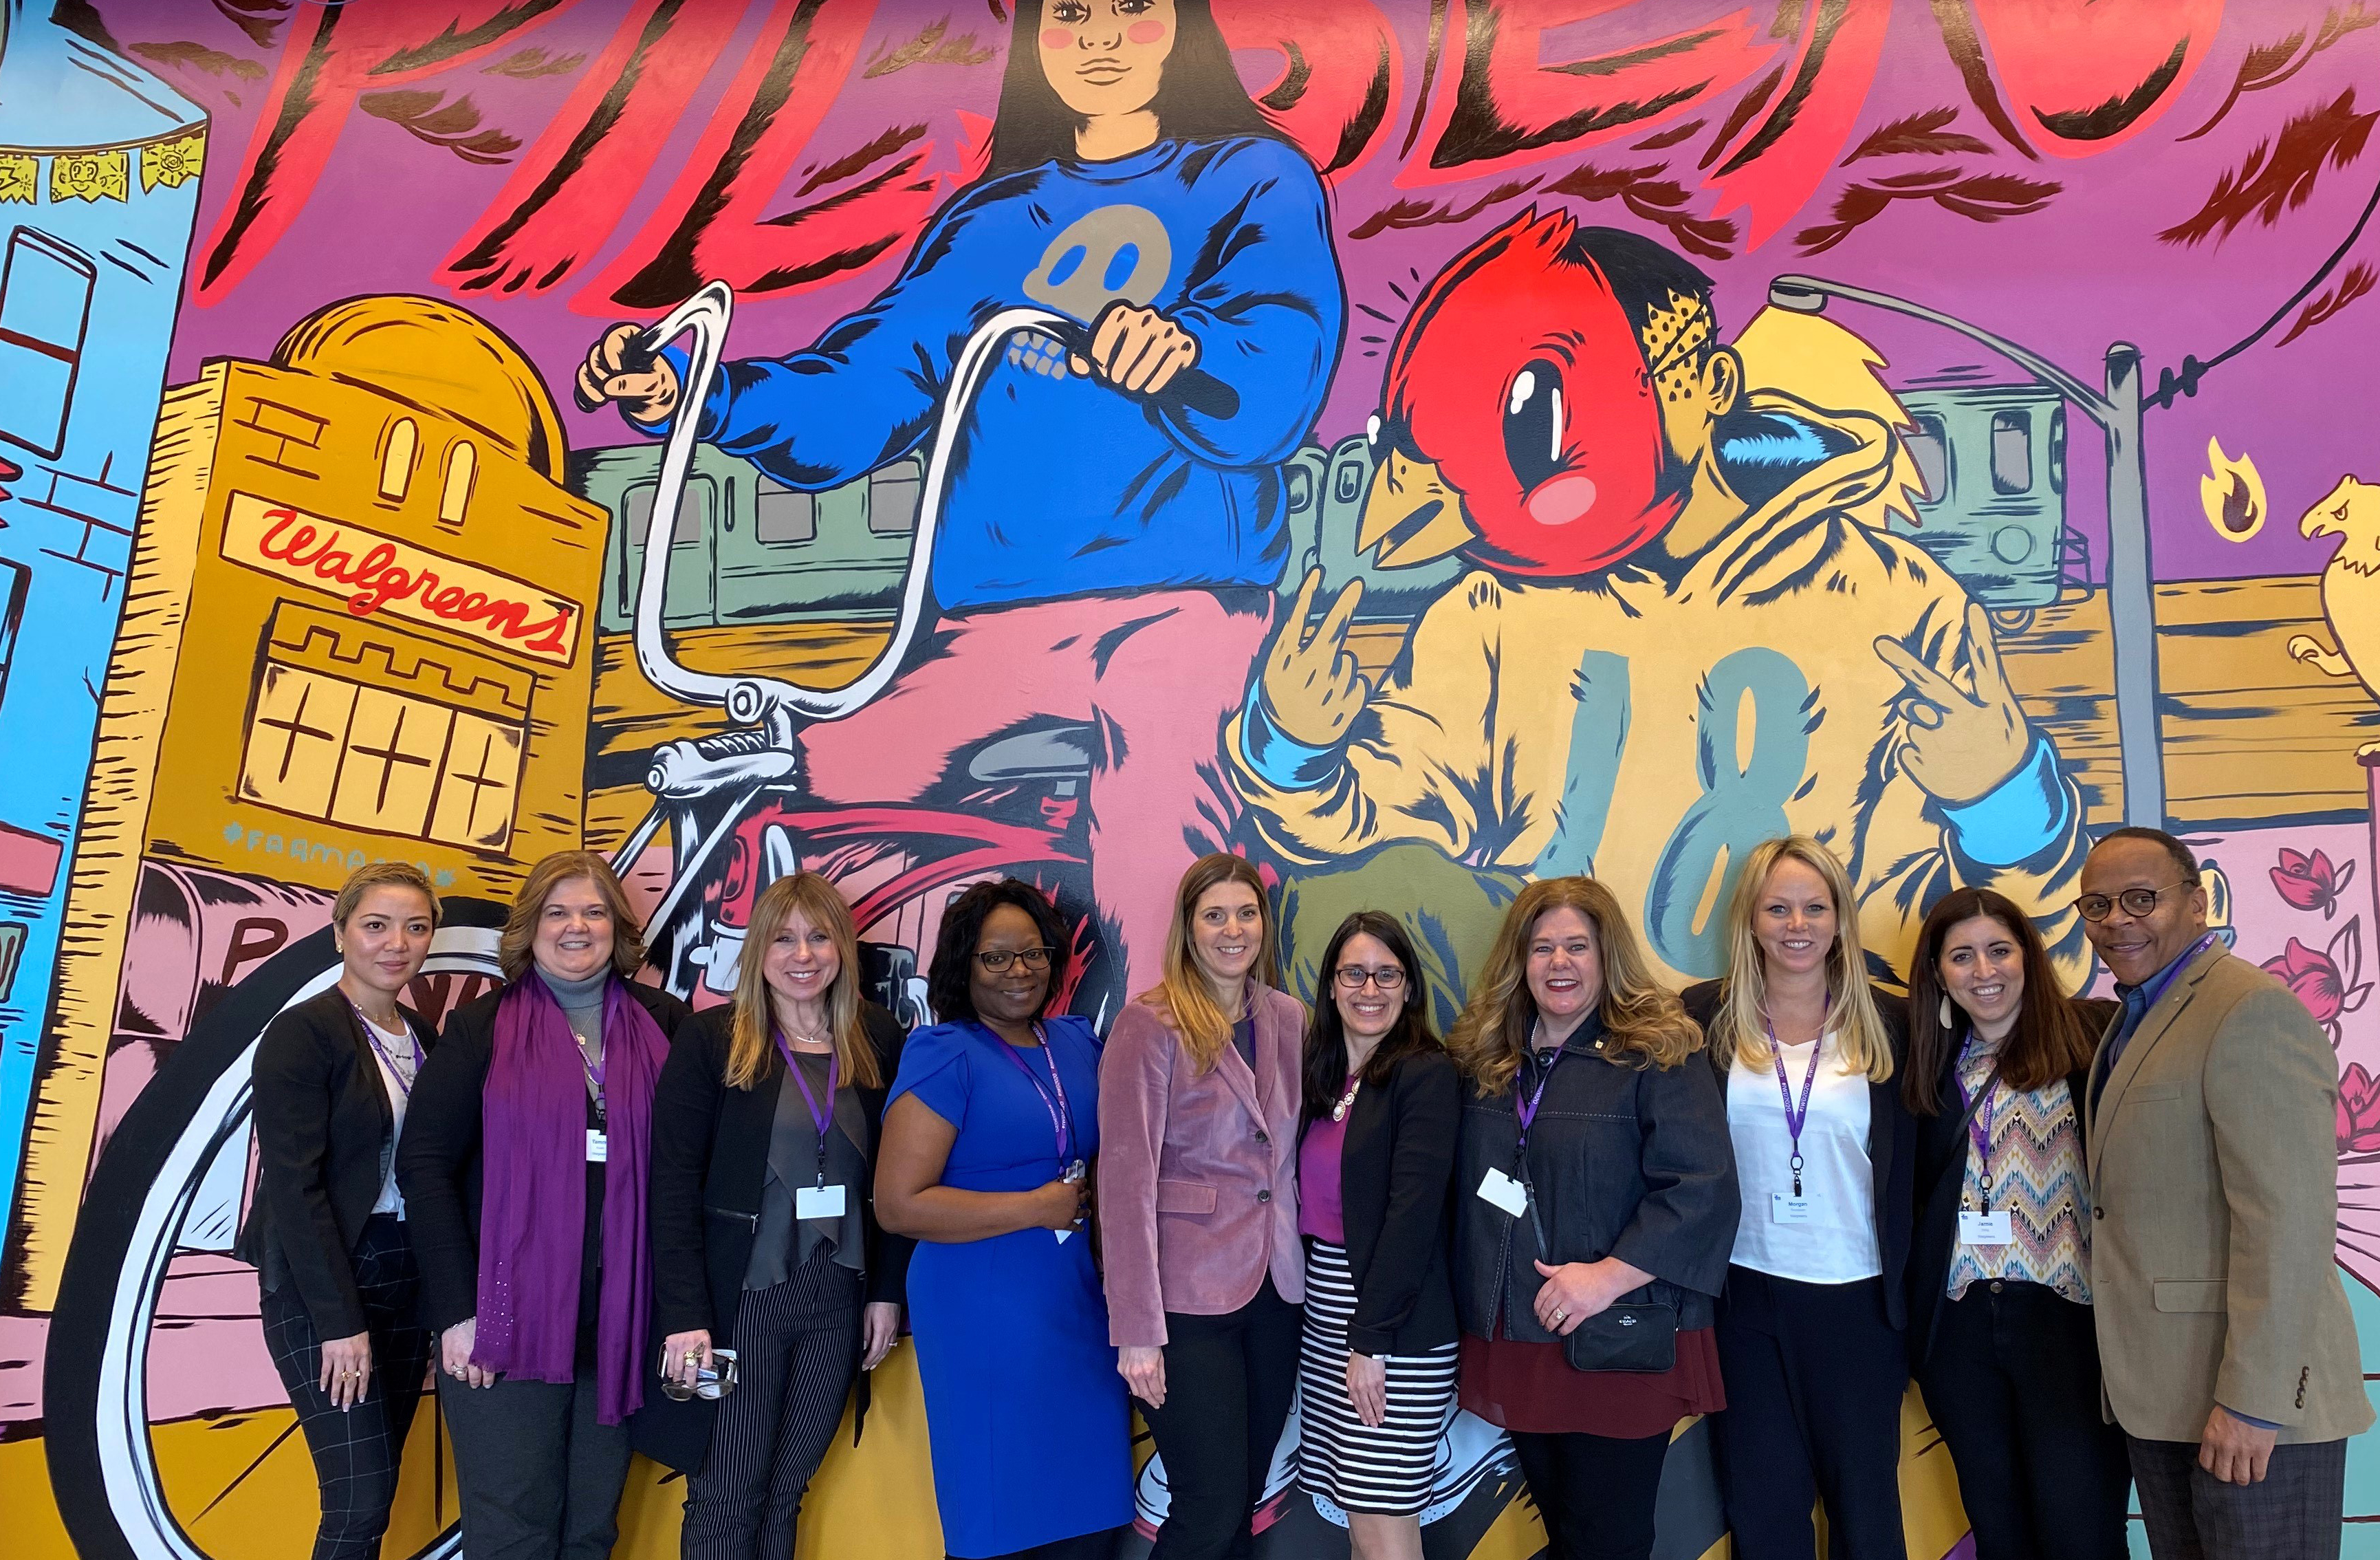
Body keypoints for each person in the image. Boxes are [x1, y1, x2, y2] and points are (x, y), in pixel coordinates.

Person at [584, 0, 1343, 993]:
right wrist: (701, 394)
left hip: (1180, 606)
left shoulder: (1250, 181)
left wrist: (1183, 351)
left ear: (1181, 33)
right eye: (1069, 18)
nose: (1101, 39)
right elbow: (866, 383)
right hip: (988, 626)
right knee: (815, 789)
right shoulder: (990, 222)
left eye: (1132, 14)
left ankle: (1165, 1068)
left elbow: (1280, 354)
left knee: (1157, 837)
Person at [1227, 211, 2089, 1006]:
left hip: (1806, 1062)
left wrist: (2001, 795)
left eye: (1528, 421)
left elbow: (2032, 956)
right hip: (1586, 1062)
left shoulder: (1894, 600)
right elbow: (1364, 829)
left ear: (1710, 386)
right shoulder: (1489, 611)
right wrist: (1293, 743)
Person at [2078, 827, 2372, 1558]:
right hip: (2167, 1398)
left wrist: (2254, 1402)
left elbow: (2289, 1222)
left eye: (2141, 898)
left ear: (2197, 901)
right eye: (2098, 904)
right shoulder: (2134, 1017)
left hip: (2247, 1408)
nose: (2117, 920)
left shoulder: (2248, 1012)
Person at [395, 852, 688, 1560]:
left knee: (591, 1531)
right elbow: (425, 1167)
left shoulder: (668, 1027)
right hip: (503, 1326)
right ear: (530, 929)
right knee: (511, 1536)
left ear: (618, 928)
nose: (576, 927)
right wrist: (459, 1314)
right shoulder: (481, 1029)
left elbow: (689, 1177)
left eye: (593, 911)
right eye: (557, 912)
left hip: (620, 1325)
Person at [1450, 876, 1736, 1560]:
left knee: (1611, 1541)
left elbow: (1704, 1189)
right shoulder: (1489, 1059)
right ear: (1519, 961)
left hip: (1618, 1340)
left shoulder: (1660, 1051)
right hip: (1520, 1334)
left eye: (1577, 946)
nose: (1559, 963)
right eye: (1543, 947)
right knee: (1570, 1535)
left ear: (1607, 956)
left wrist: (1606, 1278)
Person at [643, 872, 915, 1558]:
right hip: (737, 1303)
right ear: (759, 949)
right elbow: (670, 1184)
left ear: (842, 948)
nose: (804, 955)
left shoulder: (879, 1038)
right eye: (786, 938)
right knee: (725, 1494)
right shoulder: (713, 1040)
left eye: (819, 937)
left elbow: (899, 1178)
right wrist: (684, 1319)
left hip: (837, 1300)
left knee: (788, 1488)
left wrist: (884, 1292)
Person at [876, 878, 1130, 1560]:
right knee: (1001, 1517)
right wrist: (1035, 1207)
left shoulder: (1076, 1042)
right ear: (964, 965)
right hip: (981, 1313)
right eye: (996, 958)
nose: (1020, 971)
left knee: (1092, 1516)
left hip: (1077, 1308)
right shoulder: (945, 1052)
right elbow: (899, 1205)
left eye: (1034, 954)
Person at [1678, 837, 1912, 1560]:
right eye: (1778, 908)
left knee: (1866, 1514)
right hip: (1744, 1299)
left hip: (1859, 1302)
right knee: (1763, 1509)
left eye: (1815, 907)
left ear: (1841, 919)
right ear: (1750, 920)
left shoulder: (1892, 1022)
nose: (1797, 925)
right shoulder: (1704, 1018)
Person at [1899, 886, 2129, 1559]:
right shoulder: (1928, 1066)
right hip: (1961, 1329)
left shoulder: (2094, 1036)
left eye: (2000, 950)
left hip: (2070, 1323)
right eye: (1962, 956)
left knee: (2080, 1533)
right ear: (1938, 972)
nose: (1984, 971)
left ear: (2028, 956)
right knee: (2001, 1536)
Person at [1096, 853, 1307, 1560]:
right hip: (1185, 1305)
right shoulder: (1148, 1026)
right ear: (1188, 927)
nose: (1233, 929)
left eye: (1246, 913)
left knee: (1243, 1498)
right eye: (1214, 915)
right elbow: (1125, 1187)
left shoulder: (1288, 1018)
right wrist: (1136, 1330)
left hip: (1276, 1294)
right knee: (1208, 1505)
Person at [239, 861, 445, 1560]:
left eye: (416, 928)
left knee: (376, 1496)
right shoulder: (304, 1033)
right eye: (377, 925)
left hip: (407, 1274)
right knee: (356, 1500)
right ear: (339, 935)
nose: (397, 943)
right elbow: (295, 1190)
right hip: (325, 1280)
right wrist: (340, 1322)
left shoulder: (425, 1037)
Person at [1293, 911, 1461, 1559]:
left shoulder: (1424, 1073)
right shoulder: (1323, 1075)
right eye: (1355, 974)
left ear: (1410, 987)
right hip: (1325, 1316)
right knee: (1362, 1523)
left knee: (1385, 1526)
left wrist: (1371, 1341)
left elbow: (1412, 1216)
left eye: (1388, 974)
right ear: (1332, 986)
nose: (1371, 989)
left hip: (1393, 1330)